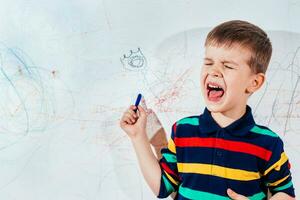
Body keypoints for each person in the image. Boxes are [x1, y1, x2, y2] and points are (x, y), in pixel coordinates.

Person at [120, 20, 296, 199]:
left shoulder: (268, 143)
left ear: (254, 82)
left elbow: (285, 193)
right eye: (209, 62)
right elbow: (162, 187)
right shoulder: (182, 130)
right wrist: (138, 136)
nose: (214, 71)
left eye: (227, 66)